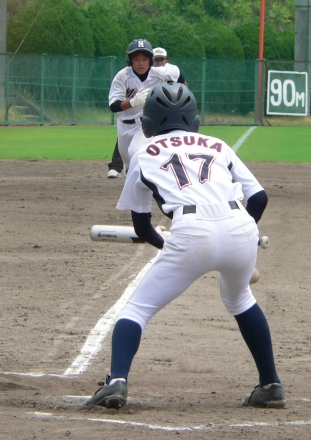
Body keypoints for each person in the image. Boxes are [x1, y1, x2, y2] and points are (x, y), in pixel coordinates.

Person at [85, 82, 285, 410]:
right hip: (240, 224)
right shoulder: (218, 145)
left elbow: (142, 226)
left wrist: (165, 243)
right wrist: (246, 235)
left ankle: (117, 381)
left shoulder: (142, 154)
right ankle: (271, 384)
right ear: (194, 118)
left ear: (148, 121)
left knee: (137, 310)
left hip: (190, 229)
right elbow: (259, 198)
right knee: (240, 299)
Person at [105, 46, 187, 179]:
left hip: (144, 123)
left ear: (150, 60)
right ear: (130, 61)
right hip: (124, 124)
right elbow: (114, 106)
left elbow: (178, 76)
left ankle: (149, 181)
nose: (141, 63)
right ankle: (133, 185)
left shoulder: (159, 72)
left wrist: (179, 97)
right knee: (128, 164)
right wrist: (132, 102)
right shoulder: (123, 76)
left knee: (135, 151)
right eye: (136, 59)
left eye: (145, 59)